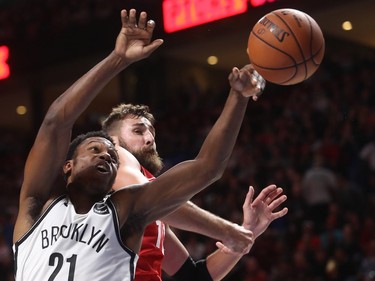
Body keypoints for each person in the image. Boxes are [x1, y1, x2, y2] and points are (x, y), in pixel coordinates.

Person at [12, 8, 266, 280]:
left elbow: (207, 170)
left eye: (111, 154)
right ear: (67, 166)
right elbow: (55, 121)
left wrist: (238, 99)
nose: (109, 155)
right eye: (96, 148)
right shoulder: (36, 206)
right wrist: (117, 59)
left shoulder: (131, 211)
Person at [102, 102, 288, 281]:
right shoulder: (112, 160)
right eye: (138, 131)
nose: (150, 138)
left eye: (152, 131)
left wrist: (248, 231)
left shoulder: (152, 211)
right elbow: (206, 169)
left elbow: (193, 276)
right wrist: (230, 232)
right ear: (113, 140)